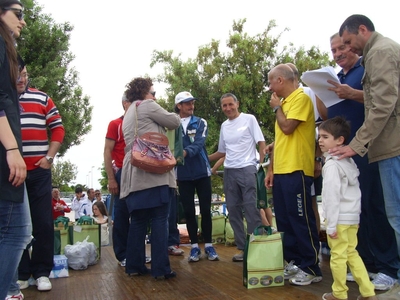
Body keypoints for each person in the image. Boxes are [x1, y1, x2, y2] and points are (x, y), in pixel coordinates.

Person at [318, 32, 400, 291]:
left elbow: (383, 100)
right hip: (344, 153)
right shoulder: (337, 77)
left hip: (368, 147)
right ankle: (365, 263)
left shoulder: (368, 67)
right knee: (356, 209)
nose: (339, 52)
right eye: (333, 50)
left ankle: (389, 267)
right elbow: (326, 115)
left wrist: (352, 93)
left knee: (378, 207)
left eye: (343, 46)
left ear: (354, 45)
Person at [265, 64, 322, 285]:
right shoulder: (284, 104)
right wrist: (271, 169)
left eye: (271, 82)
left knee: (301, 219)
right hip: (281, 170)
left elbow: (288, 127)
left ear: (280, 80)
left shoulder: (300, 98)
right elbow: (280, 140)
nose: (270, 87)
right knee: (285, 220)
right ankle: (294, 261)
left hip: (297, 168)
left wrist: (276, 109)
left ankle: (311, 266)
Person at [120, 77, 180, 279]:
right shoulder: (147, 106)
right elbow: (174, 121)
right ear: (145, 93)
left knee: (138, 220)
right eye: (153, 92)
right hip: (153, 171)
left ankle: (135, 265)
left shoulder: (129, 113)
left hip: (134, 172)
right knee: (160, 218)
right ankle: (161, 269)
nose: (155, 96)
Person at [16, 64, 64, 292]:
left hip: (39, 170)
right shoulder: (3, 98)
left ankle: (43, 271)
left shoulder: (42, 98)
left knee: (43, 222)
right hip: (11, 173)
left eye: (24, 75)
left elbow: (58, 129)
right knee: (15, 224)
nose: (21, 80)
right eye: (17, 76)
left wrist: (49, 157)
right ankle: (21, 273)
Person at [318, 117, 376, 300]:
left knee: (338, 257)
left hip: (338, 220)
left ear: (340, 140)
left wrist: (331, 225)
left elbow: (332, 197)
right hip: (350, 219)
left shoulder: (332, 165)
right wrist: (356, 218)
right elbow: (356, 193)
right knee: (352, 254)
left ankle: (339, 293)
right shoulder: (349, 163)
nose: (320, 140)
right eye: (320, 136)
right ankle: (368, 292)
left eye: (325, 136)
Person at [208, 93, 265, 262]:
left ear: (237, 103)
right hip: (229, 171)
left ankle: (257, 247)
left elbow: (261, 142)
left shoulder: (249, 119)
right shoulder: (224, 126)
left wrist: (259, 165)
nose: (228, 108)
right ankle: (242, 248)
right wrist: (201, 156)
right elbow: (222, 151)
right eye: (224, 105)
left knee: (251, 209)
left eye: (230, 104)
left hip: (247, 168)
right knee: (233, 210)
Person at [0, 2, 31, 299]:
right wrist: (11, 148)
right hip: (4, 154)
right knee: (17, 231)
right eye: (18, 13)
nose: (22, 22)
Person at [174, 91, 218, 262]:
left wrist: (185, 152)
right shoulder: (172, 124)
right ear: (179, 106)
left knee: (206, 210)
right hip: (183, 175)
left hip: (202, 172)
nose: (191, 106)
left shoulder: (200, 122)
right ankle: (194, 247)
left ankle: (209, 245)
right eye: (187, 103)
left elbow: (199, 143)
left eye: (192, 103)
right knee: (189, 212)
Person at [104, 92, 132, 267]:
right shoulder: (116, 124)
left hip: (141, 174)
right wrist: (111, 178)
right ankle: (122, 254)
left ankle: (135, 252)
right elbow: (107, 150)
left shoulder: (142, 124)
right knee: (121, 215)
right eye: (130, 102)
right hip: (122, 172)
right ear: (124, 103)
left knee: (139, 216)